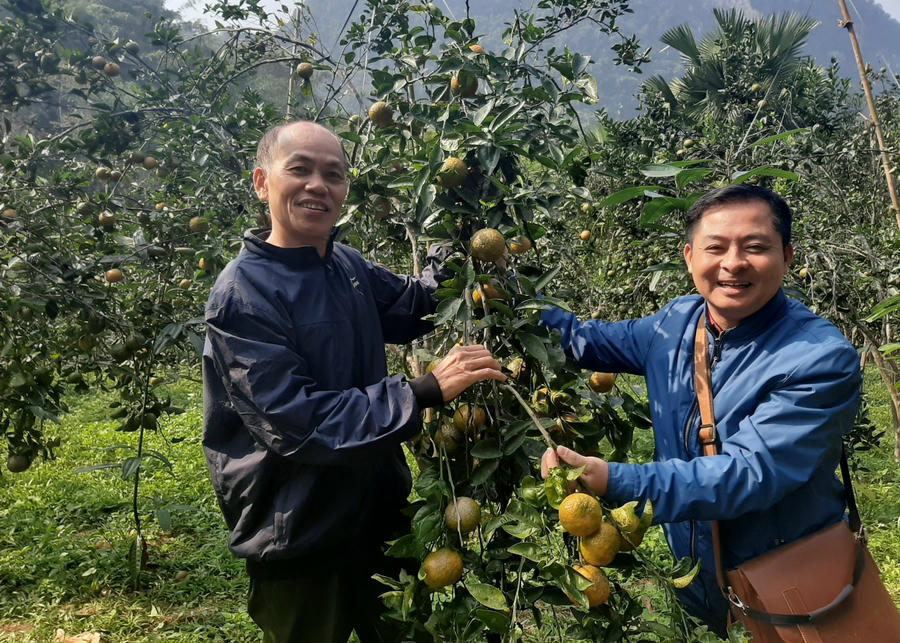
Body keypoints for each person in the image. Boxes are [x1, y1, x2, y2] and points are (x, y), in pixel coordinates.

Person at [202, 120, 506, 642]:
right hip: (298, 533)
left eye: (333, 175)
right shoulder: (242, 296)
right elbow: (296, 421)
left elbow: (417, 304)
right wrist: (424, 390)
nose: (317, 185)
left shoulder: (346, 266)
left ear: (345, 191)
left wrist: (463, 229)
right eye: (299, 169)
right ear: (262, 181)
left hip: (379, 517)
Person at [539, 184, 861, 636]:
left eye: (755, 247)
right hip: (696, 573)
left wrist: (616, 479)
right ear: (690, 257)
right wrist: (499, 291)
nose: (732, 264)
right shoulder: (675, 324)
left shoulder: (819, 358)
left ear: (787, 256)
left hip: (786, 578)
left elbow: (749, 473)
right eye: (716, 248)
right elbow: (581, 340)